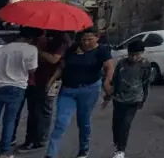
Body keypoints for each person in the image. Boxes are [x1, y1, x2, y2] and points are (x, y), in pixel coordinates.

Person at [45, 28, 113, 158]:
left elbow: (109, 66)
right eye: (84, 39)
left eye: (90, 39)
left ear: (97, 37)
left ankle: (84, 148)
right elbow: (62, 66)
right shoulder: (73, 48)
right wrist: (51, 80)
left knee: (84, 121)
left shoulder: (102, 51)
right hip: (68, 90)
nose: (86, 43)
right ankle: (50, 154)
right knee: (61, 121)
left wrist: (107, 82)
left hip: (89, 89)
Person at [0, 28, 39, 158]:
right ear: (31, 38)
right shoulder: (31, 49)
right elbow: (32, 70)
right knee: (9, 121)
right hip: (17, 87)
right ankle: (4, 152)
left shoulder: (3, 48)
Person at [15, 30, 68, 152]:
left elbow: (54, 60)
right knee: (33, 110)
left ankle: (39, 140)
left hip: (51, 79)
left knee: (44, 110)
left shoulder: (61, 42)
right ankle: (31, 139)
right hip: (35, 79)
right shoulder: (39, 39)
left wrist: (38, 50)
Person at [105, 40, 151, 158]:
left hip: (134, 99)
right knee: (116, 124)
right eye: (131, 55)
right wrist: (108, 95)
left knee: (126, 124)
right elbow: (115, 80)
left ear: (141, 53)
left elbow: (145, 83)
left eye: (137, 55)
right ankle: (117, 142)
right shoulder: (122, 63)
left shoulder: (145, 65)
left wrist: (143, 99)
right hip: (119, 98)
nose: (134, 57)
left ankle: (120, 150)